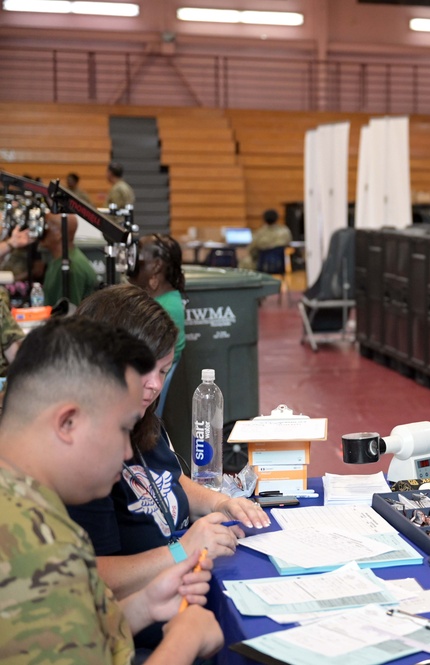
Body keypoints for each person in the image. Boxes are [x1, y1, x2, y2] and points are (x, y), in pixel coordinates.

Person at [0, 316, 223, 664]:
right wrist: (184, 640)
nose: (126, 453)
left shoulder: (24, 502)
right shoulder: (38, 549)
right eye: (123, 429)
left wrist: (144, 605)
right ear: (67, 422)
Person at [67, 284, 269, 650]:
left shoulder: (141, 421)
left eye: (164, 370)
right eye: (146, 371)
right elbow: (84, 579)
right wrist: (181, 550)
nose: (155, 386)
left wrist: (219, 502)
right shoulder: (82, 461)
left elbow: (169, 481)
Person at [130, 233, 186, 415]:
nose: (132, 263)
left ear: (156, 266)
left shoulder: (164, 308)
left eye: (137, 257)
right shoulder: (157, 300)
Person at [38, 211, 99, 306]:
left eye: (45, 225)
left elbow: (71, 314)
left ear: (58, 233)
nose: (40, 230)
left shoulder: (72, 267)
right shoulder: (57, 260)